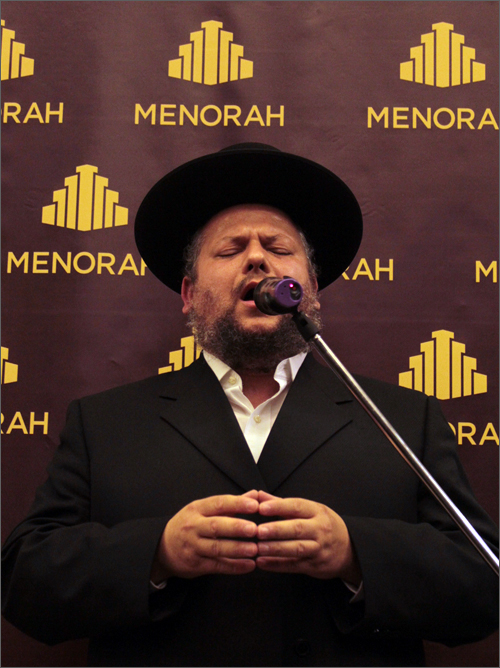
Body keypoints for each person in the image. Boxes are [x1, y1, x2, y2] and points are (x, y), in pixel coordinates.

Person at [2, 144, 498, 667]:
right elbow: (24, 584)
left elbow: (483, 586)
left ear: (310, 292)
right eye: (230, 250)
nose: (257, 258)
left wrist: (354, 553)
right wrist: (159, 552)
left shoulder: (403, 419)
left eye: (278, 248)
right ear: (189, 294)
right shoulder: (105, 423)